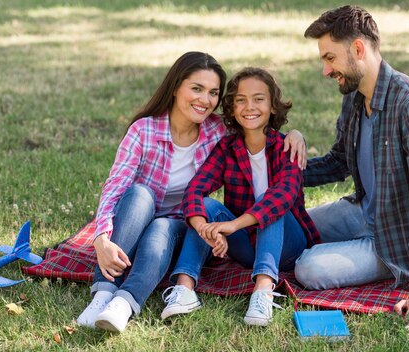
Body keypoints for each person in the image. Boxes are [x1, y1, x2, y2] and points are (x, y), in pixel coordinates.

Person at [75, 52, 307, 333]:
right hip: (142, 222)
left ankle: (124, 304)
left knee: (263, 206)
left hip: (202, 229)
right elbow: (117, 188)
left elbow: (276, 182)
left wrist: (296, 133)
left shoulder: (222, 133)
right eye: (196, 89)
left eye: (212, 93)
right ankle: (105, 294)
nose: (204, 100)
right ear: (175, 87)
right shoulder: (148, 131)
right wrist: (101, 238)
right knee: (140, 194)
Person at [294, 6, 409, 316]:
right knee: (292, 227)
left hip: (400, 237)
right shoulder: (353, 98)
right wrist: (279, 168)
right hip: (364, 212)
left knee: (309, 269)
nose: (326, 70)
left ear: (358, 49)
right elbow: (337, 162)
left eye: (330, 58)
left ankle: (400, 269)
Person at [161, 67, 320, 326]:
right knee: (204, 205)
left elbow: (283, 196)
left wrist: (232, 225)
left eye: (259, 99)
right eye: (241, 100)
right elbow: (195, 189)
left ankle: (263, 291)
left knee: (271, 204)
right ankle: (185, 289)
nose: (250, 106)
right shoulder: (227, 148)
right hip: (247, 247)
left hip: (288, 248)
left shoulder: (286, 148)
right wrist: (207, 229)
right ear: (232, 107)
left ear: (273, 106)